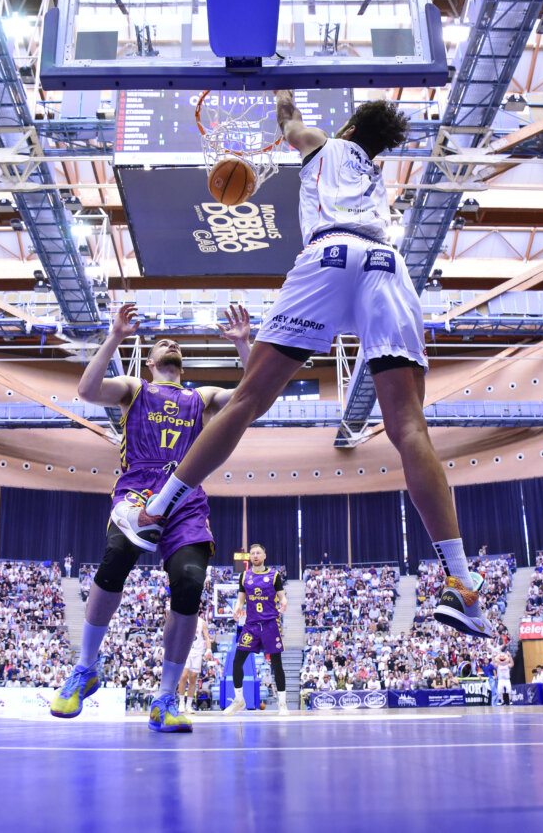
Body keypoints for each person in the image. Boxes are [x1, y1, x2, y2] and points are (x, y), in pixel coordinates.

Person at [115, 92, 490, 639]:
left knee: (247, 400)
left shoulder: (328, 145)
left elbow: (291, 125)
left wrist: (282, 97)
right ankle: (463, 585)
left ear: (354, 124)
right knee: (409, 427)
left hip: (330, 256)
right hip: (388, 267)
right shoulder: (374, 178)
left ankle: (155, 511)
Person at [49, 302, 252, 734]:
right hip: (136, 494)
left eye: (175, 343)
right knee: (115, 560)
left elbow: (252, 399)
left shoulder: (201, 399)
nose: (171, 343)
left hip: (186, 501)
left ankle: (164, 698)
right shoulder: (133, 388)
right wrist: (116, 336)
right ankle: (85, 667)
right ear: (151, 361)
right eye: (162, 342)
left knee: (190, 584)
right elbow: (86, 390)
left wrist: (243, 345)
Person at [223, 544, 289, 716]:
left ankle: (282, 704)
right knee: (237, 661)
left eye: (258, 552)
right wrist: (237, 608)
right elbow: (240, 599)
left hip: (270, 624)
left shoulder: (274, 575)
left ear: (264, 555)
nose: (255, 555)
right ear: (250, 557)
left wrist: (284, 602)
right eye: (252, 553)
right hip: (251, 625)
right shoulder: (244, 576)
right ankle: (239, 700)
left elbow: (282, 596)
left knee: (277, 664)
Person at [178, 611, 211, 714]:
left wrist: (209, 649)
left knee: (193, 678)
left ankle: (189, 705)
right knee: (183, 676)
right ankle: (181, 703)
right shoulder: (183, 620)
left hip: (197, 652)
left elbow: (206, 637)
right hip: (185, 650)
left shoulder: (202, 622)